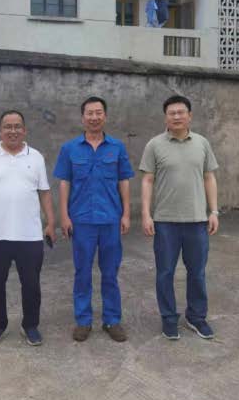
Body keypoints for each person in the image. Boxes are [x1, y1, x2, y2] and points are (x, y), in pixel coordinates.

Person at [0, 110, 56, 347]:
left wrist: (51, 222)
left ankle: (31, 325)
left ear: (24, 130)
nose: (13, 131)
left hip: (29, 235)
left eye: (17, 126)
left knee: (31, 285)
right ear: (0, 130)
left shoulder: (35, 157)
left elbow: (45, 193)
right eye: (8, 126)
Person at [53, 97, 134, 342]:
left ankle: (112, 320)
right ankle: (83, 321)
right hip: (81, 221)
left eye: (99, 113)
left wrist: (126, 213)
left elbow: (124, 181)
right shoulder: (69, 149)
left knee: (110, 272)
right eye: (90, 113)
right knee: (82, 273)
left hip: (110, 219)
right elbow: (64, 183)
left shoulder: (117, 147)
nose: (94, 117)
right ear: (82, 118)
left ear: (105, 116)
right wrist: (64, 215)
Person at [139, 95, 219, 340]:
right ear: (165, 117)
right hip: (165, 222)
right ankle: (169, 319)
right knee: (165, 273)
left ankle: (196, 317)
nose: (176, 116)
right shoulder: (154, 145)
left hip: (197, 221)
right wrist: (146, 214)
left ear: (189, 116)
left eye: (181, 112)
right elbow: (147, 180)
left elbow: (209, 177)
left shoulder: (202, 143)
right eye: (171, 113)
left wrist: (214, 211)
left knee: (197, 273)